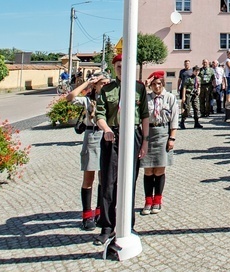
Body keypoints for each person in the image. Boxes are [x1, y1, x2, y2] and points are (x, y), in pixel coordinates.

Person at [93, 54, 149, 246]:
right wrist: (106, 130)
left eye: (124, 66)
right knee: (108, 182)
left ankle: (127, 225)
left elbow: (144, 116)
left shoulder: (139, 88)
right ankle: (107, 227)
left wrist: (145, 142)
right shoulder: (107, 89)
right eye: (118, 66)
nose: (121, 69)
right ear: (114, 67)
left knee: (129, 182)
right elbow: (99, 115)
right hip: (112, 135)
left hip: (133, 134)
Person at [66, 71, 110, 231]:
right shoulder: (88, 100)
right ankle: (87, 214)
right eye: (102, 83)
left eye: (106, 83)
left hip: (106, 137)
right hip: (91, 136)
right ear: (96, 85)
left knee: (103, 177)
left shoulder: (110, 100)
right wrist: (87, 83)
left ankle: (99, 211)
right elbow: (69, 98)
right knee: (89, 176)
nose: (104, 85)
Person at [141, 71, 179, 216]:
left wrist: (172, 138)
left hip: (163, 133)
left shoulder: (169, 98)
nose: (156, 87)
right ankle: (148, 200)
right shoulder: (147, 98)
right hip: (149, 134)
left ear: (163, 84)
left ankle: (158, 200)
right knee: (148, 169)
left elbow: (174, 119)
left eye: (159, 84)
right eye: (154, 84)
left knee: (159, 170)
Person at [178, 60, 201, 129]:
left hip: (195, 95)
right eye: (195, 71)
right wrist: (183, 97)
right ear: (193, 71)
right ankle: (182, 122)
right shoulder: (189, 78)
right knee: (187, 109)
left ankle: (196, 122)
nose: (196, 72)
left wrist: (199, 91)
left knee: (196, 108)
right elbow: (184, 87)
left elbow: (199, 86)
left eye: (198, 71)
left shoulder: (199, 78)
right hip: (188, 95)